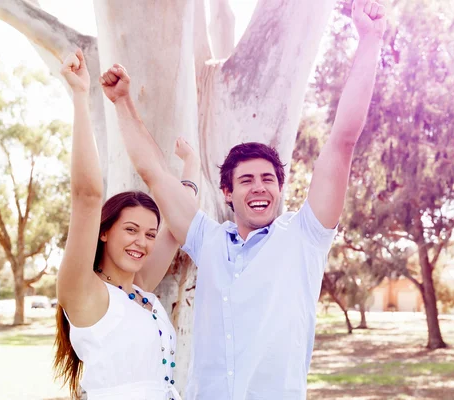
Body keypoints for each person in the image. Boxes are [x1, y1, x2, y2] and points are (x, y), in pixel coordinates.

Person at [98, 0, 386, 398]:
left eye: (268, 179)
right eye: (246, 180)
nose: (259, 187)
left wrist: (370, 40)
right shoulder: (208, 240)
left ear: (280, 189)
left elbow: (342, 142)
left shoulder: (305, 236)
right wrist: (123, 103)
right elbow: (154, 173)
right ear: (228, 193)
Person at [53, 49, 199, 400]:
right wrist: (79, 95)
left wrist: (191, 166)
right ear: (104, 231)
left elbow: (181, 224)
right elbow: (87, 196)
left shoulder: (141, 289)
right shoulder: (84, 292)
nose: (143, 243)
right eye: (131, 230)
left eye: (149, 234)